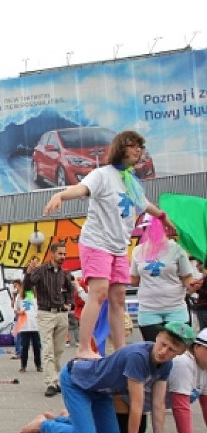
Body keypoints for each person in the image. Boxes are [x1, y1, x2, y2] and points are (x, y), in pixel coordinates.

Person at [43, 130, 176, 360]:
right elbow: (82, 188)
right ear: (120, 149)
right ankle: (84, 347)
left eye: (140, 147)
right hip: (97, 242)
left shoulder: (131, 181)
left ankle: (121, 349)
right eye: (133, 146)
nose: (138, 150)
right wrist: (62, 195)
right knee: (99, 292)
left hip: (118, 246)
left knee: (119, 297)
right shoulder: (102, 175)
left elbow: (144, 205)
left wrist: (163, 217)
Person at [19, 322, 194, 433]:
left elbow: (158, 404)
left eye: (171, 350)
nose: (164, 351)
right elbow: (136, 406)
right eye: (163, 344)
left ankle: (64, 419)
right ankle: (43, 425)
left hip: (101, 391)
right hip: (76, 381)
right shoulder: (138, 357)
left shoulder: (166, 365)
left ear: (179, 353)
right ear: (157, 338)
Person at [130, 215, 195, 342]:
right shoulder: (138, 251)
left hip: (175, 308)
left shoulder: (176, 249)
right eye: (147, 228)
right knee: (153, 351)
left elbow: (187, 277)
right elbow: (134, 280)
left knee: (177, 351)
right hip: (148, 309)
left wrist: (193, 286)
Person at [23, 242, 74, 397]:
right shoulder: (41, 270)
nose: (63, 257)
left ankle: (57, 379)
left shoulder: (64, 273)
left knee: (58, 350)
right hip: (45, 314)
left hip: (61, 315)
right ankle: (50, 383)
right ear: (52, 254)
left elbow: (70, 290)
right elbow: (27, 287)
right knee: (48, 350)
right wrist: (29, 272)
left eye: (64, 254)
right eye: (60, 254)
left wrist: (69, 304)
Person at [167, 327, 207, 433]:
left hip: (145, 406)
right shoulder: (183, 362)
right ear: (196, 347)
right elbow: (180, 406)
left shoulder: (204, 365)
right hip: (125, 399)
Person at [14, 289, 42, 373]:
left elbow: (38, 309)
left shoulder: (34, 296)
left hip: (35, 325)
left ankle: (38, 365)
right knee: (24, 346)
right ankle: (23, 366)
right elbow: (15, 309)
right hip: (24, 326)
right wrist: (20, 313)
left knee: (37, 347)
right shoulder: (20, 296)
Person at [10, 280, 24, 360]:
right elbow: (12, 306)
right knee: (18, 335)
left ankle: (20, 352)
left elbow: (30, 304)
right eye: (14, 286)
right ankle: (19, 352)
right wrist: (13, 297)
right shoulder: (17, 295)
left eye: (15, 285)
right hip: (18, 316)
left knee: (21, 335)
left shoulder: (27, 293)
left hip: (24, 316)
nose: (15, 287)